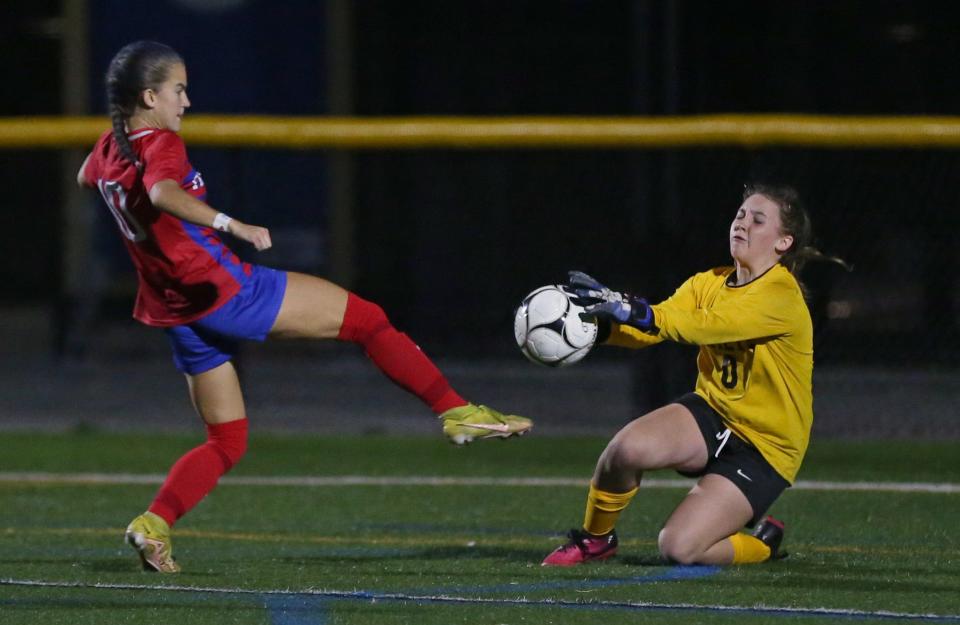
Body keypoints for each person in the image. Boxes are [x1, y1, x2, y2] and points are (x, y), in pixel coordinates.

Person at [77, 40, 532, 574]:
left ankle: (153, 524)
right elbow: (161, 194)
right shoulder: (162, 146)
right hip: (225, 291)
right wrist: (230, 224)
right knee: (368, 320)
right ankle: (457, 412)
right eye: (179, 90)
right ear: (150, 96)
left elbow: (89, 176)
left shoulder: (111, 146)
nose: (187, 101)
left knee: (227, 439)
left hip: (178, 310)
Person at [542, 184, 848, 567]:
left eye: (758, 220)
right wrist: (593, 331)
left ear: (784, 242)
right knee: (625, 450)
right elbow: (657, 325)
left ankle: (763, 546)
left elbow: (703, 327)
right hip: (714, 413)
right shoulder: (708, 283)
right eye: (740, 215)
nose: (743, 224)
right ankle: (596, 539)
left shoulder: (781, 296)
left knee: (679, 547)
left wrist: (632, 308)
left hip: (766, 447)